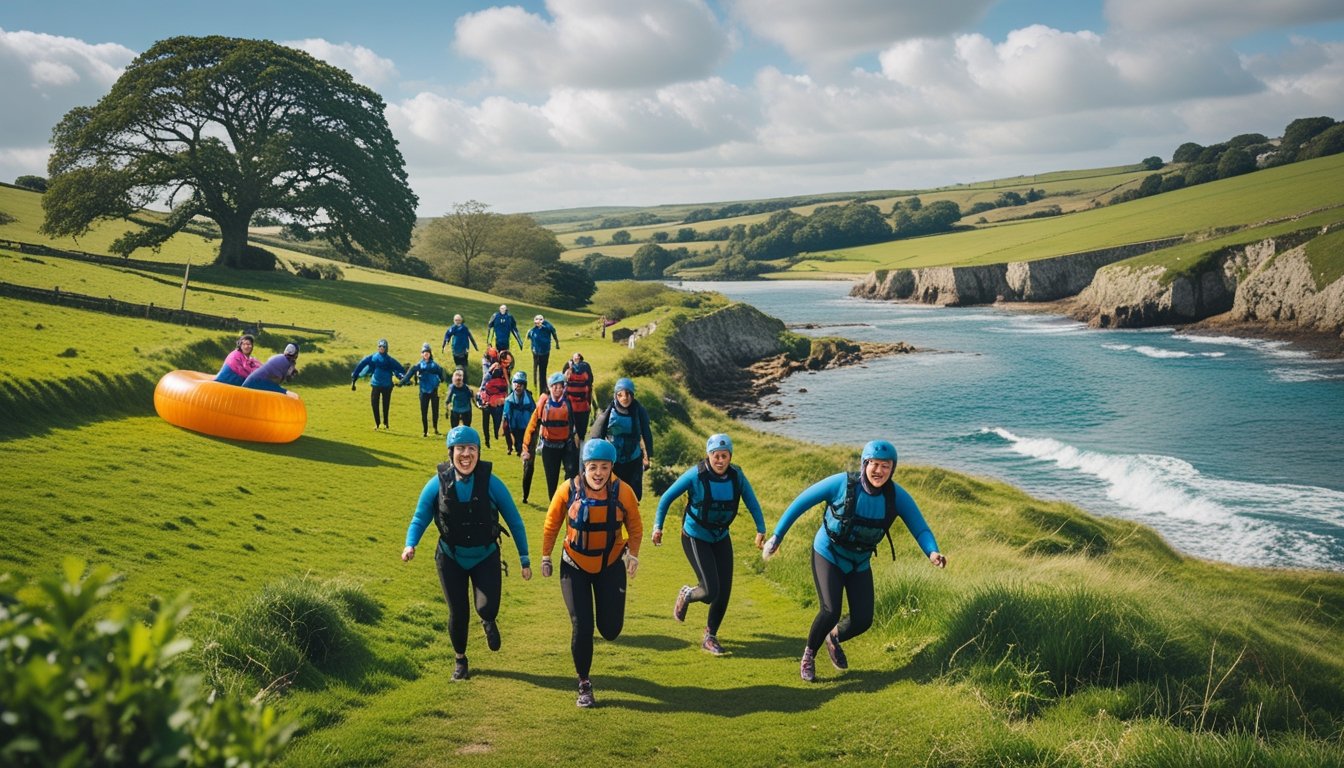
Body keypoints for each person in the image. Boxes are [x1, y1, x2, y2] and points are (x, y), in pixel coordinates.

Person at [763, 440, 947, 682]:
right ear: (864, 464)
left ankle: (833, 636)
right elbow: (802, 502)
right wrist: (777, 535)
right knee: (830, 610)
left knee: (863, 620)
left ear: (893, 469)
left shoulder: (896, 497)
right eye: (874, 464)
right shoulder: (842, 484)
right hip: (828, 552)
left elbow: (920, 527)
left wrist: (932, 552)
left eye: (885, 466)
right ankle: (809, 655)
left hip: (859, 561)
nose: (879, 471)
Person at [401, 426, 532, 682]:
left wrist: (525, 558)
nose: (466, 454)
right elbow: (420, 516)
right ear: (451, 453)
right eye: (460, 449)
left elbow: (514, 520)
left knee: (487, 607)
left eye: (471, 449)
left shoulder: (491, 483)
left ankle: (488, 620)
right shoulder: (436, 484)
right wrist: (410, 544)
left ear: (478, 453)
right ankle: (460, 660)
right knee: (458, 613)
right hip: (451, 557)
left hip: (485, 556)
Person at [540, 439, 642, 708]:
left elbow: (635, 525)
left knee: (610, 630)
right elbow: (551, 524)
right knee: (582, 625)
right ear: (584, 467)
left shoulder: (623, 492)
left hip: (610, 565)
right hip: (574, 566)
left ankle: (602, 628)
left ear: (611, 468)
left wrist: (633, 554)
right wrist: (545, 556)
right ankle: (584, 683)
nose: (598, 472)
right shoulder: (568, 490)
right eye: (593, 466)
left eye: (604, 467)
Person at [652, 434, 767, 656]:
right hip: (695, 535)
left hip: (721, 536)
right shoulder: (696, 475)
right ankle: (687, 594)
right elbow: (666, 498)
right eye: (716, 456)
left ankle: (710, 636)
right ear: (709, 455)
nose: (720, 461)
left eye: (724, 456)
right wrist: (658, 527)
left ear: (730, 456)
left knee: (724, 591)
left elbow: (752, 502)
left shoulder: (737, 477)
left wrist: (760, 529)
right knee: (710, 590)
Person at [590, 378, 653, 501]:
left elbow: (647, 433)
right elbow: (596, 438)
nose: (625, 398)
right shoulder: (608, 414)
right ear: (615, 395)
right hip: (614, 461)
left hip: (634, 459)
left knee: (634, 496)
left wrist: (649, 455)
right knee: (612, 494)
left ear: (633, 395)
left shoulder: (639, 411)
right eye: (621, 394)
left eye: (628, 394)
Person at [521, 373, 580, 501]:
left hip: (566, 445)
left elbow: (574, 423)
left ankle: (570, 500)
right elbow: (531, 427)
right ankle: (554, 507)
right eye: (555, 386)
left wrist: (576, 439)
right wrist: (525, 448)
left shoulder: (568, 403)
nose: (558, 389)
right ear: (550, 387)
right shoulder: (543, 404)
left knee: (571, 473)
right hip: (549, 448)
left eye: (561, 386)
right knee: (551, 481)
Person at [351, 339, 407, 431]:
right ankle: (377, 424)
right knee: (374, 404)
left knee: (386, 405)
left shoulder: (389, 360)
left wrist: (403, 377)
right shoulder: (373, 358)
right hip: (375, 384)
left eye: (383, 347)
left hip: (387, 386)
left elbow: (399, 369)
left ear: (386, 348)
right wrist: (355, 374)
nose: (381, 348)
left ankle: (385, 423)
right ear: (378, 348)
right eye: (380, 347)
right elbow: (362, 364)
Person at [400, 343, 448, 437]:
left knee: (435, 410)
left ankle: (435, 428)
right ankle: (425, 431)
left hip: (434, 390)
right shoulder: (418, 365)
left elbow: (441, 375)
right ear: (422, 354)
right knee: (424, 411)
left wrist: (441, 381)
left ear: (430, 354)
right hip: (423, 390)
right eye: (424, 352)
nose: (426, 354)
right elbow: (409, 374)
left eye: (427, 352)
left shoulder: (435, 365)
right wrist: (402, 382)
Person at [502, 370, 536, 459]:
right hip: (515, 426)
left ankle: (523, 451)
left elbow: (534, 410)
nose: (518, 387)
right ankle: (516, 449)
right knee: (518, 441)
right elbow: (506, 414)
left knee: (525, 441)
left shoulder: (529, 398)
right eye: (516, 384)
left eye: (521, 385)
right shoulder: (509, 400)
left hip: (526, 425)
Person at [561, 352, 595, 441]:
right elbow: (590, 383)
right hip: (583, 407)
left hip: (570, 407)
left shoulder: (567, 366)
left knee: (569, 433)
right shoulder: (586, 367)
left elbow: (562, 384)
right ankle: (581, 448)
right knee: (581, 435)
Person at [478, 361, 508, 449]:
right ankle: (492, 437)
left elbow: (482, 389)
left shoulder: (490, 378)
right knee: (494, 421)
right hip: (494, 404)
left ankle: (490, 437)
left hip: (490, 403)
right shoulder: (501, 380)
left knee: (489, 422)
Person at [527, 314, 560, 387]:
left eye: (539, 321)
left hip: (544, 352)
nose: (537, 323)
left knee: (542, 371)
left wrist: (557, 343)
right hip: (536, 353)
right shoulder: (533, 330)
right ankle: (535, 385)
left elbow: (554, 333)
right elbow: (529, 337)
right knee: (535, 369)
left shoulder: (547, 326)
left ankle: (543, 388)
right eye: (536, 322)